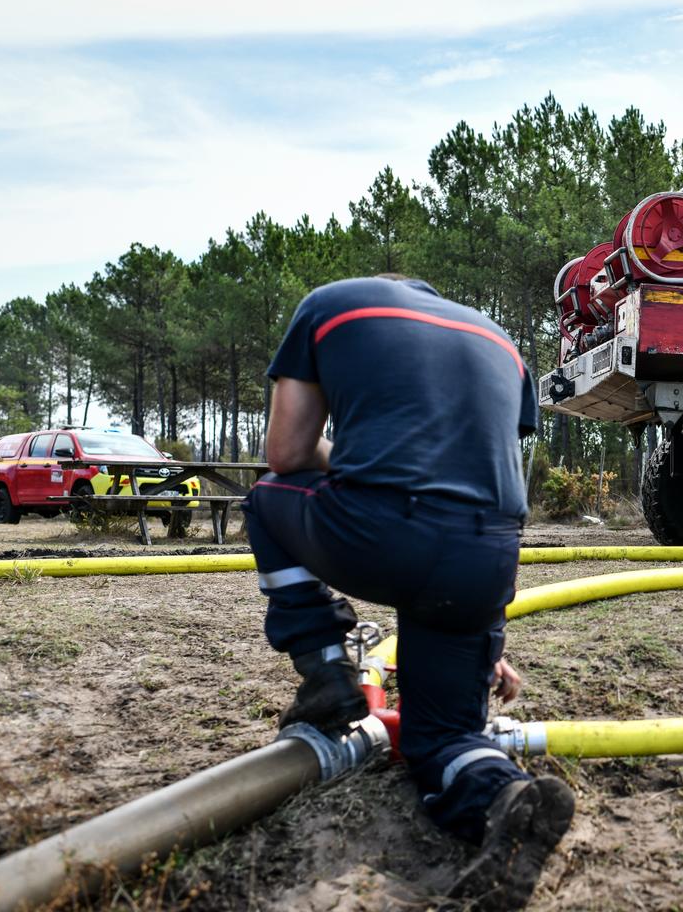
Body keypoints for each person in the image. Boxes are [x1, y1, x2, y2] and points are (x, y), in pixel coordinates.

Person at [242, 274, 573, 910]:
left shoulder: (331, 304)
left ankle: (326, 675)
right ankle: (504, 798)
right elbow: (479, 468)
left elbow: (285, 453)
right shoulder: (500, 339)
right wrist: (482, 637)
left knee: (263, 500)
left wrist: (359, 459)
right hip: (484, 560)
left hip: (380, 534)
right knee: (444, 738)